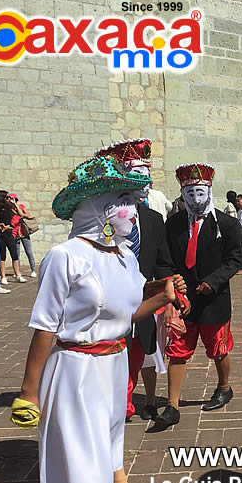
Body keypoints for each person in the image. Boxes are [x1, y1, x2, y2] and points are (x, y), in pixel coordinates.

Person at [11, 154, 184, 483]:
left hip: (115, 364)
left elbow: (128, 313)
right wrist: (29, 393)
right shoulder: (65, 257)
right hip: (76, 370)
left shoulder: (124, 256)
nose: (132, 212)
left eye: (131, 202)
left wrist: (163, 296)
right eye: (122, 203)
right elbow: (45, 326)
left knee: (109, 440)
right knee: (86, 468)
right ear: (99, 209)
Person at [156, 163, 242, 428]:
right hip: (184, 300)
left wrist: (213, 281)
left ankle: (224, 386)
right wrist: (173, 278)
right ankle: (172, 406)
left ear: (209, 192)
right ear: (183, 194)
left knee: (218, 347)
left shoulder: (227, 225)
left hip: (213, 299)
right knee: (178, 349)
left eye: (200, 193)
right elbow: (164, 260)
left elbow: (234, 259)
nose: (196, 199)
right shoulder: (172, 226)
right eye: (190, 193)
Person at [102, 139, 177, 423]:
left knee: (137, 355)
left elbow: (163, 263)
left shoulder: (154, 219)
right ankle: (116, 410)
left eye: (146, 176)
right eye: (136, 175)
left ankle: (126, 405)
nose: (142, 183)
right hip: (108, 305)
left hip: (143, 305)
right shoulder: (101, 217)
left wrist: (169, 302)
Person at [0, 190, 26, 284]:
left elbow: (20, 214)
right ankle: (3, 276)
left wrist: (14, 203)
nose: (9, 199)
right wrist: (0, 226)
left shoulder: (9, 207)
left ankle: (18, 274)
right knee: (2, 255)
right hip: (0, 233)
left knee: (14, 254)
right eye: (7, 197)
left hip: (9, 232)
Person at [8, 193, 38, 278]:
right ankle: (18, 271)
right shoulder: (9, 209)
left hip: (23, 232)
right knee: (16, 254)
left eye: (12, 199)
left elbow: (25, 215)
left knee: (28, 252)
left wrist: (16, 205)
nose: (10, 200)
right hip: (14, 233)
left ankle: (33, 270)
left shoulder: (21, 206)